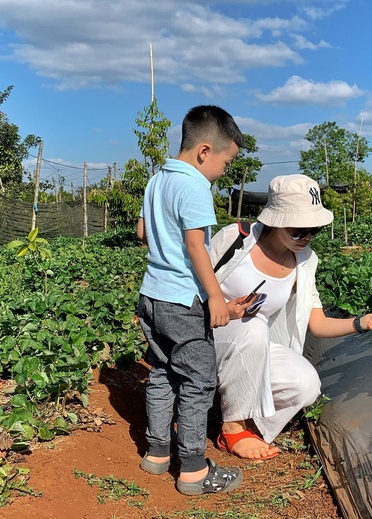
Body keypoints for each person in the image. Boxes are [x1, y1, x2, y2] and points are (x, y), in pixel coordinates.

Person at [210, 174, 372, 460]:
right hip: (210, 339)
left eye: (314, 230)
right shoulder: (236, 239)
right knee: (254, 325)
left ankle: (247, 419)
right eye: (298, 231)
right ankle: (232, 427)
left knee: (306, 384)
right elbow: (192, 287)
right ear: (276, 220)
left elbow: (316, 323)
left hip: (254, 348)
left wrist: (362, 322)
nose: (306, 237)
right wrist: (223, 309)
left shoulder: (305, 260)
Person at [136, 105, 255, 495]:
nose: (225, 171)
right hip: (181, 302)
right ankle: (192, 470)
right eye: (227, 161)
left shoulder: (157, 180)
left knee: (162, 371)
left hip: (151, 294)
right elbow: (195, 245)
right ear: (205, 151)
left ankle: (156, 453)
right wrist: (216, 298)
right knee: (199, 381)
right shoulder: (195, 186)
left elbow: (142, 232)